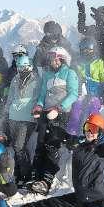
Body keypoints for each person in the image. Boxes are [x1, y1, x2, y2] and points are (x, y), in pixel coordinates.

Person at [27, 46, 80, 194]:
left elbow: (74, 94)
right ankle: (35, 177)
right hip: (46, 113)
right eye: (51, 59)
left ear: (62, 59)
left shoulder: (70, 73)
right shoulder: (47, 75)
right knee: (40, 144)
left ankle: (46, 181)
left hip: (61, 114)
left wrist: (59, 108)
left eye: (56, 59)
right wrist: (39, 106)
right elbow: (42, 94)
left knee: (52, 144)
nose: (53, 61)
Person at [66, 37, 104, 136]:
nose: (86, 52)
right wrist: (79, 81)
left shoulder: (99, 62)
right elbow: (72, 77)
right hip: (81, 92)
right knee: (77, 108)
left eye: (89, 50)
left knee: (93, 108)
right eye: (84, 50)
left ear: (93, 50)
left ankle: (93, 132)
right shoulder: (77, 63)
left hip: (95, 92)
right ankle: (72, 134)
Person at [4, 54, 40, 184]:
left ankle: (27, 175)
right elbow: (10, 96)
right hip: (14, 116)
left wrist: (36, 111)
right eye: (19, 67)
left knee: (19, 146)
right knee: (17, 147)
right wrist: (7, 110)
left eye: (23, 67)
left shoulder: (36, 79)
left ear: (29, 67)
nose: (21, 70)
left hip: (27, 117)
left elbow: (38, 98)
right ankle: (19, 173)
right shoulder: (15, 79)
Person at [76, 1, 104, 70]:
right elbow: (81, 28)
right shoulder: (93, 29)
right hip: (89, 64)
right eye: (98, 16)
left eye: (102, 16)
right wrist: (81, 13)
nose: (99, 19)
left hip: (103, 66)